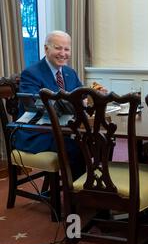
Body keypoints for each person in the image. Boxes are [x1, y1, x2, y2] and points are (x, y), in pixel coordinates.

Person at [13, 31, 96, 179]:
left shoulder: (70, 72)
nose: (63, 53)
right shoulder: (31, 73)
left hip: (64, 130)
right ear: (46, 49)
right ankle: (78, 197)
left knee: (99, 142)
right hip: (37, 133)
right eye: (58, 48)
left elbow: (82, 94)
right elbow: (34, 108)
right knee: (77, 148)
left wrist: (94, 94)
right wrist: (74, 103)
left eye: (67, 49)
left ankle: (91, 188)